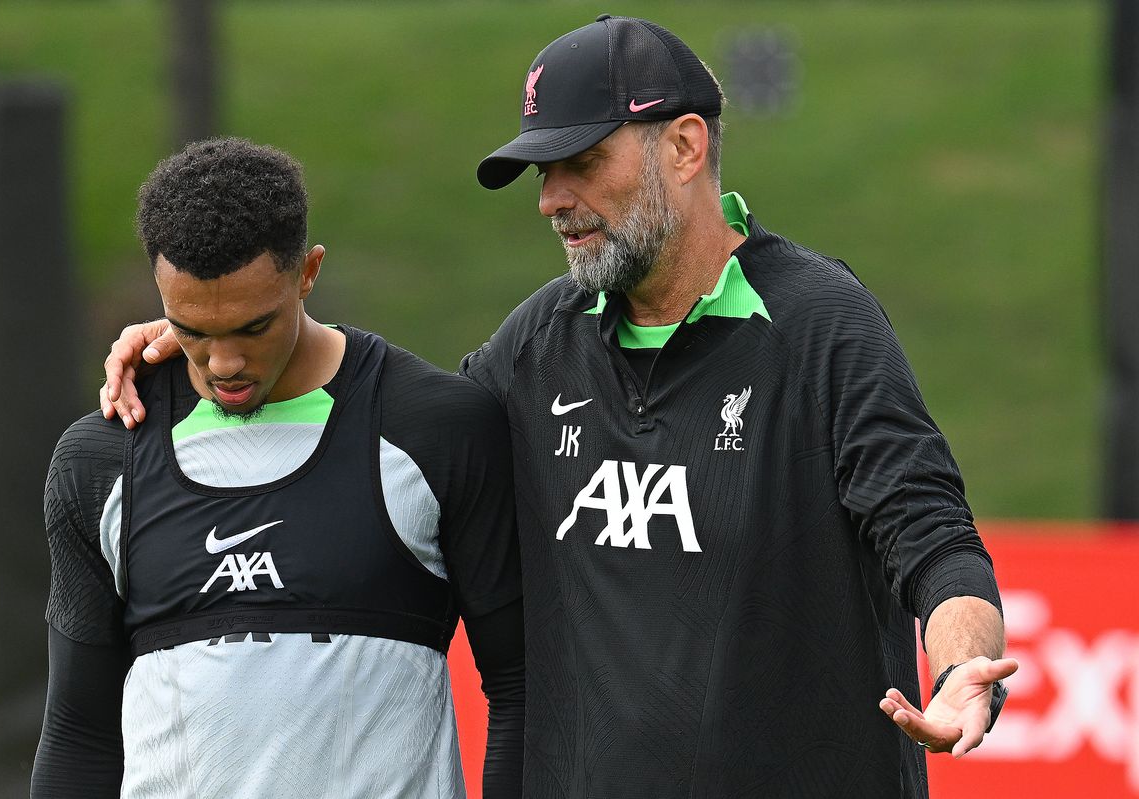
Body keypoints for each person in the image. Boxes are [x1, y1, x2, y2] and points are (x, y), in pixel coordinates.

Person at [99, 16, 1018, 798]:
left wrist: (961, 665)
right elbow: (403, 429)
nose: (551, 200)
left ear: (685, 147)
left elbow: (931, 534)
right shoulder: (540, 340)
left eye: (581, 163)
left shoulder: (820, 322)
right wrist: (216, 337)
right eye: (543, 173)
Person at [32, 138, 524, 799]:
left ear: (308, 272)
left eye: (252, 327)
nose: (224, 363)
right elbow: (78, 732)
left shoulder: (435, 430)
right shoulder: (101, 459)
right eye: (193, 330)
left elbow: (520, 686)